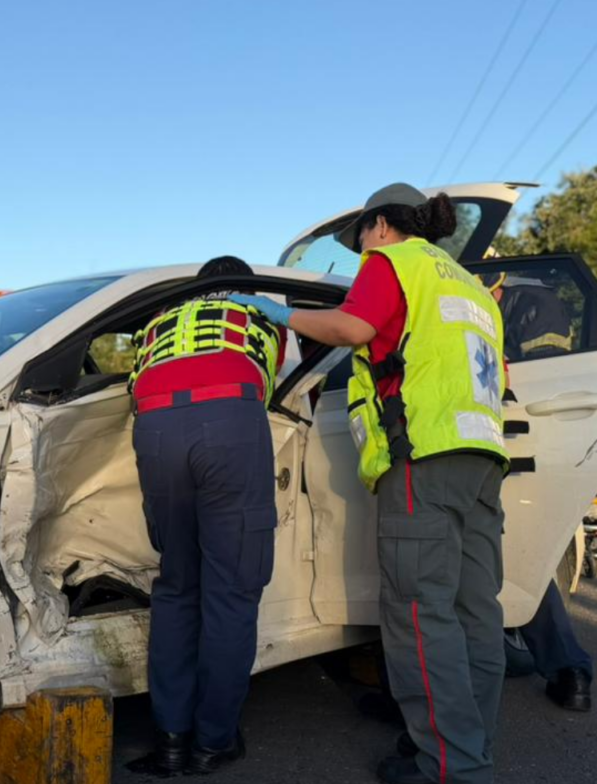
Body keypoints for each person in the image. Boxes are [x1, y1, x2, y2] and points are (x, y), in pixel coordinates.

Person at [235, 184, 508, 784]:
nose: (361, 254)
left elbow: (355, 328)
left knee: (420, 617)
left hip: (423, 460)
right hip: (483, 461)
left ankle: (452, 768)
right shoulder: (470, 287)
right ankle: (469, 746)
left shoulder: (393, 262)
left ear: (380, 225)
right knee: (474, 614)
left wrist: (284, 315)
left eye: (359, 238)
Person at [127, 256, 285, 776]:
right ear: (242, 287)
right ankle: (213, 742)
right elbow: (276, 385)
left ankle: (171, 740)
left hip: (153, 427)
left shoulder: (161, 325)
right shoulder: (254, 315)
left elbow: (136, 387)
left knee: (176, 587)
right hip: (228, 421)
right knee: (232, 593)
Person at [478, 270, 594, 711]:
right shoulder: (511, 299)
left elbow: (546, 373)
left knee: (501, 557)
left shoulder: (530, 299)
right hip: (506, 443)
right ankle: (568, 669)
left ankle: (565, 665)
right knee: (514, 558)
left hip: (510, 444)